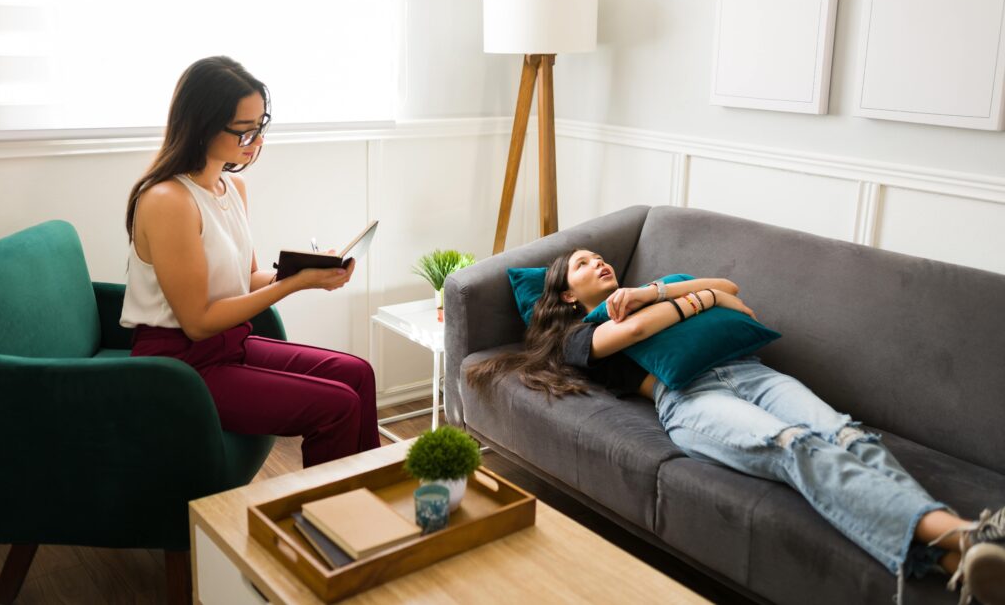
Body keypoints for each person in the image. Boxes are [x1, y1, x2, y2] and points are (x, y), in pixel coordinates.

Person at [468, 248, 1005, 605]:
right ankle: (962, 532)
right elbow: (667, 319)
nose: (599, 262)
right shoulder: (579, 337)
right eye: (584, 264)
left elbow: (733, 292)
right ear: (567, 294)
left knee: (846, 434)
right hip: (690, 400)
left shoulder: (652, 290)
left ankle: (962, 557)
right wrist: (698, 301)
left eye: (600, 257)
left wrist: (659, 293)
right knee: (793, 446)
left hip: (753, 374)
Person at [121, 56, 380, 468]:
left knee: (357, 374)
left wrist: (304, 270)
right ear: (202, 124)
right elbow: (198, 321)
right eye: (244, 131)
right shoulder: (167, 201)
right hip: (179, 366)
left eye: (260, 127)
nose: (255, 141)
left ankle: (364, 501)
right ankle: (328, 524)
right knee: (337, 406)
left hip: (229, 346)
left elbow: (248, 278)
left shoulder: (232, 186)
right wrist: (293, 285)